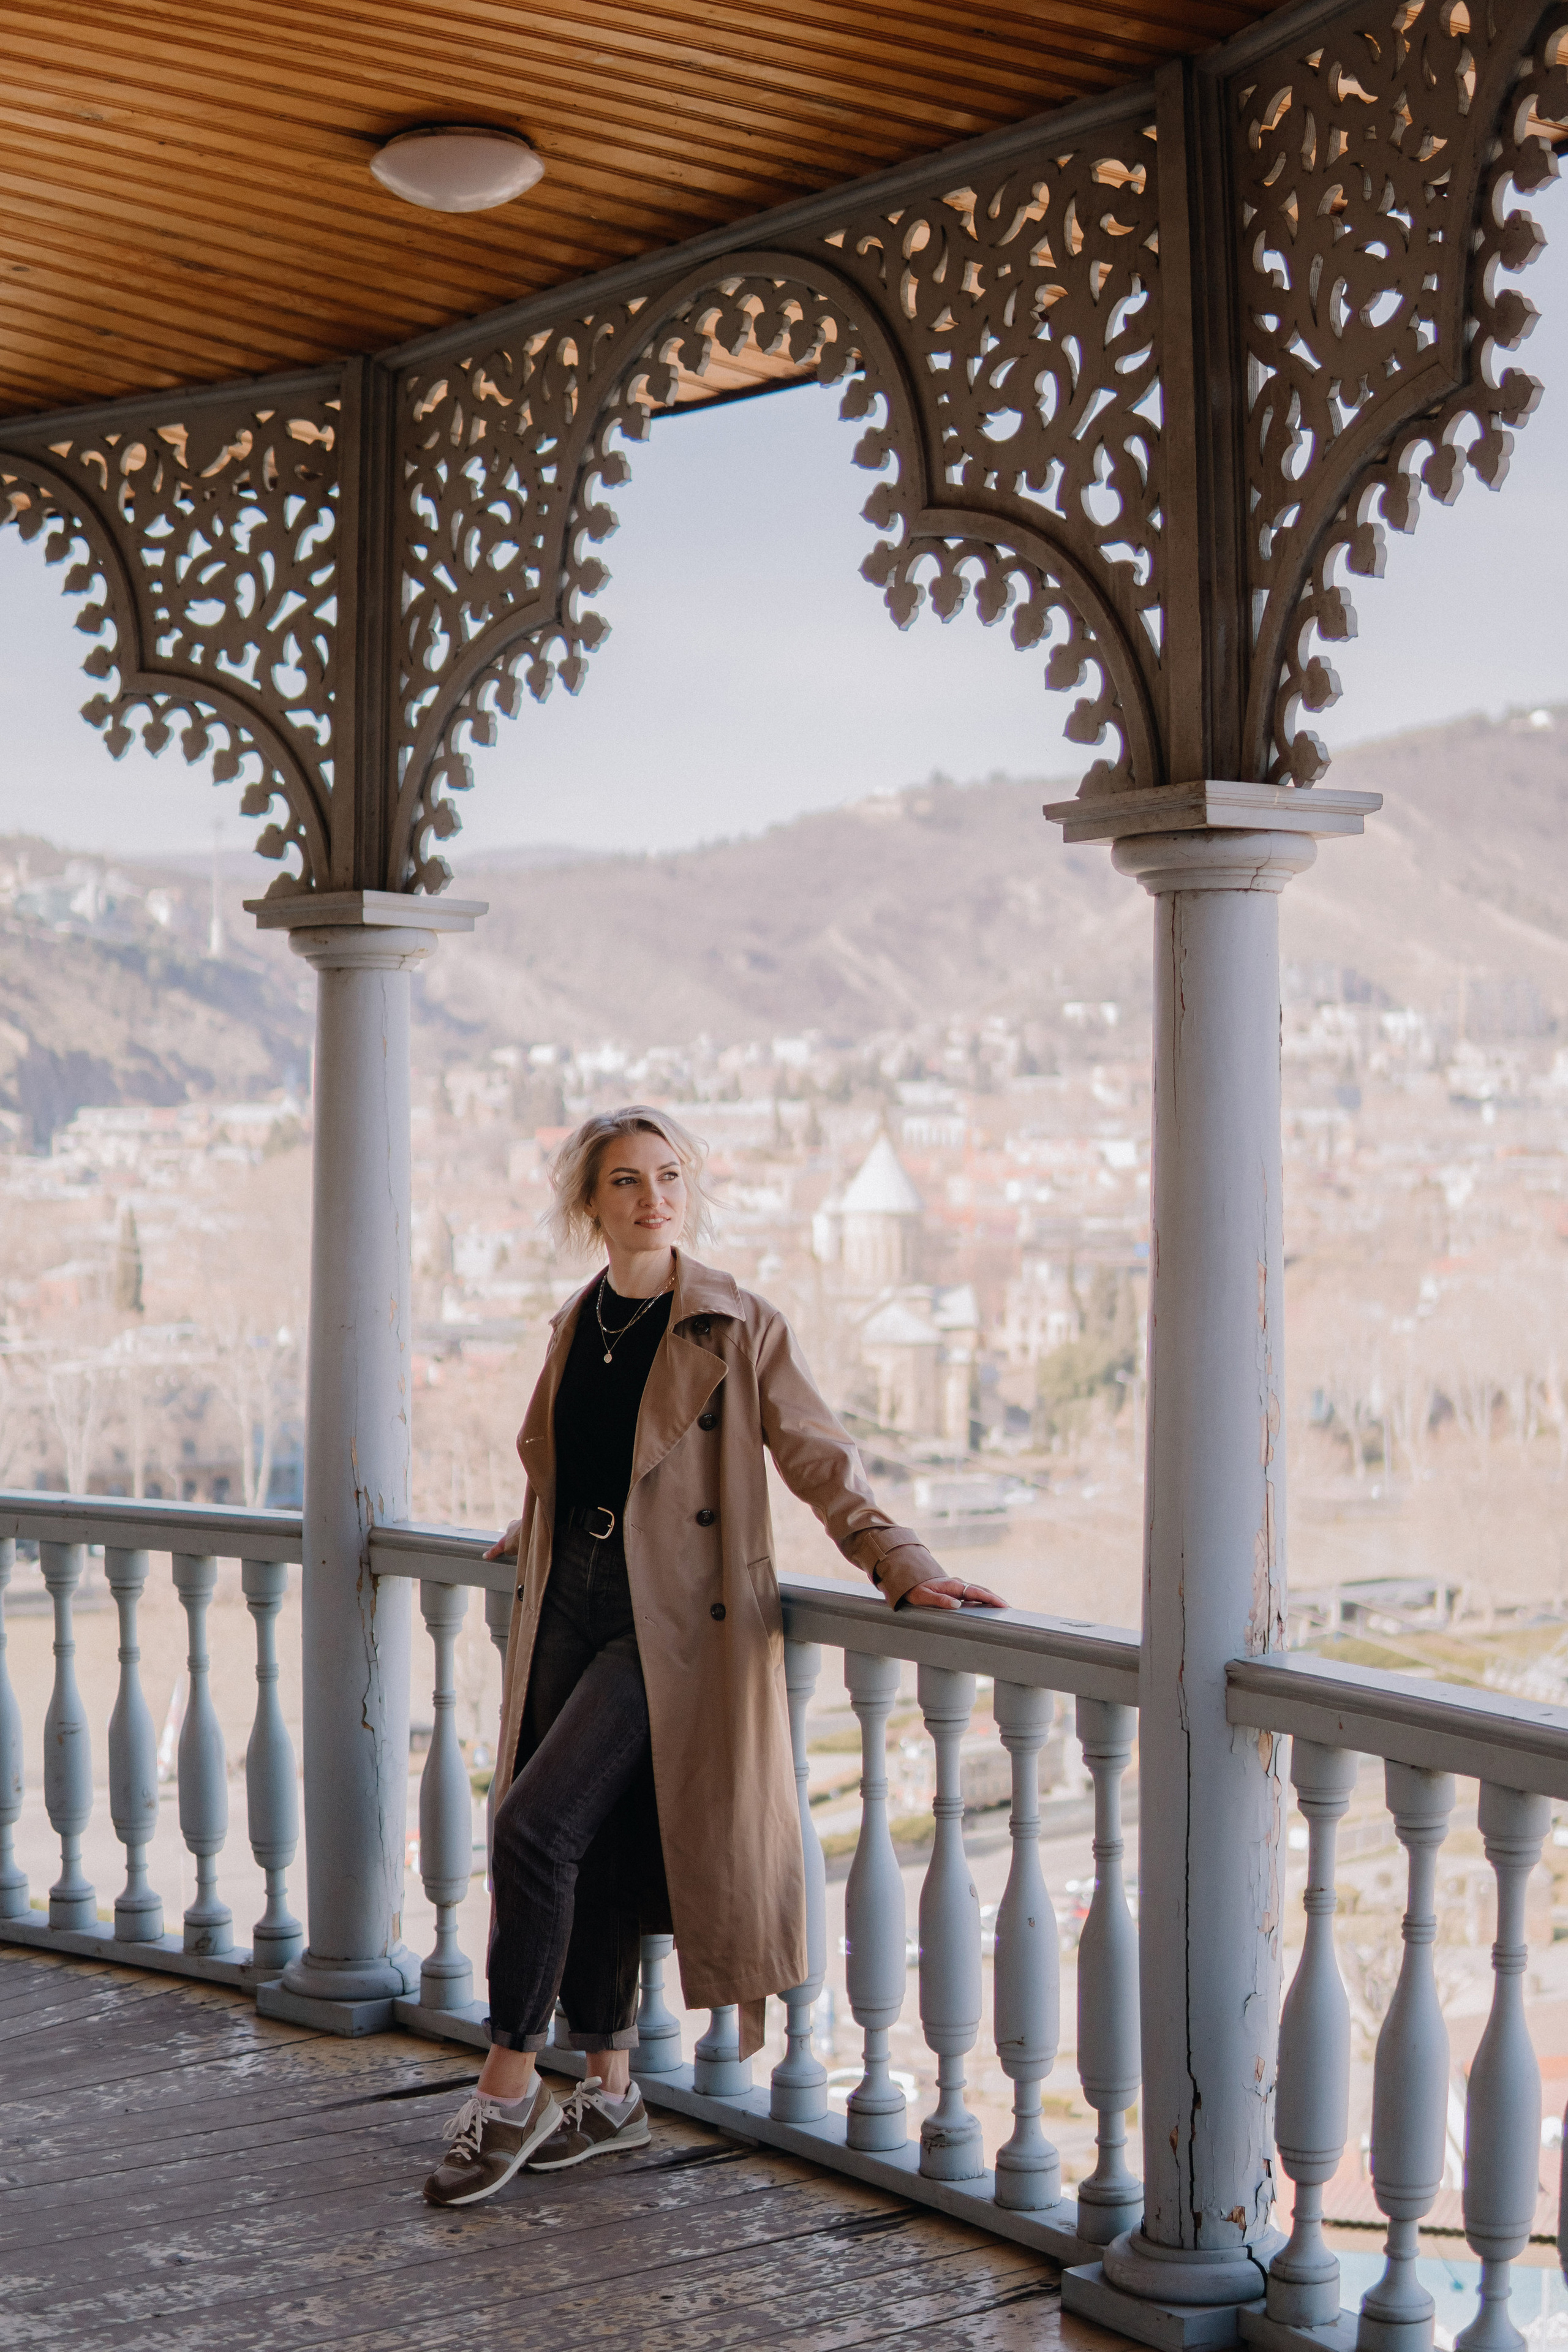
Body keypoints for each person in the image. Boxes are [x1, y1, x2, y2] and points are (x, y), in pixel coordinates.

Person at [423, 1105, 1005, 2207]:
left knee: (531, 1825)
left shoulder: (736, 1324)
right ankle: (609, 2090)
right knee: (582, 1843)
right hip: (568, 1598)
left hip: (674, 1622)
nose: (654, 1196)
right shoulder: (575, 1320)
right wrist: (535, 1521)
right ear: (588, 1204)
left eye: (670, 1176)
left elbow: (821, 1460)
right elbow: (582, 1459)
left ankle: (505, 2087)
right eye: (628, 1180)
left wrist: (904, 1565)